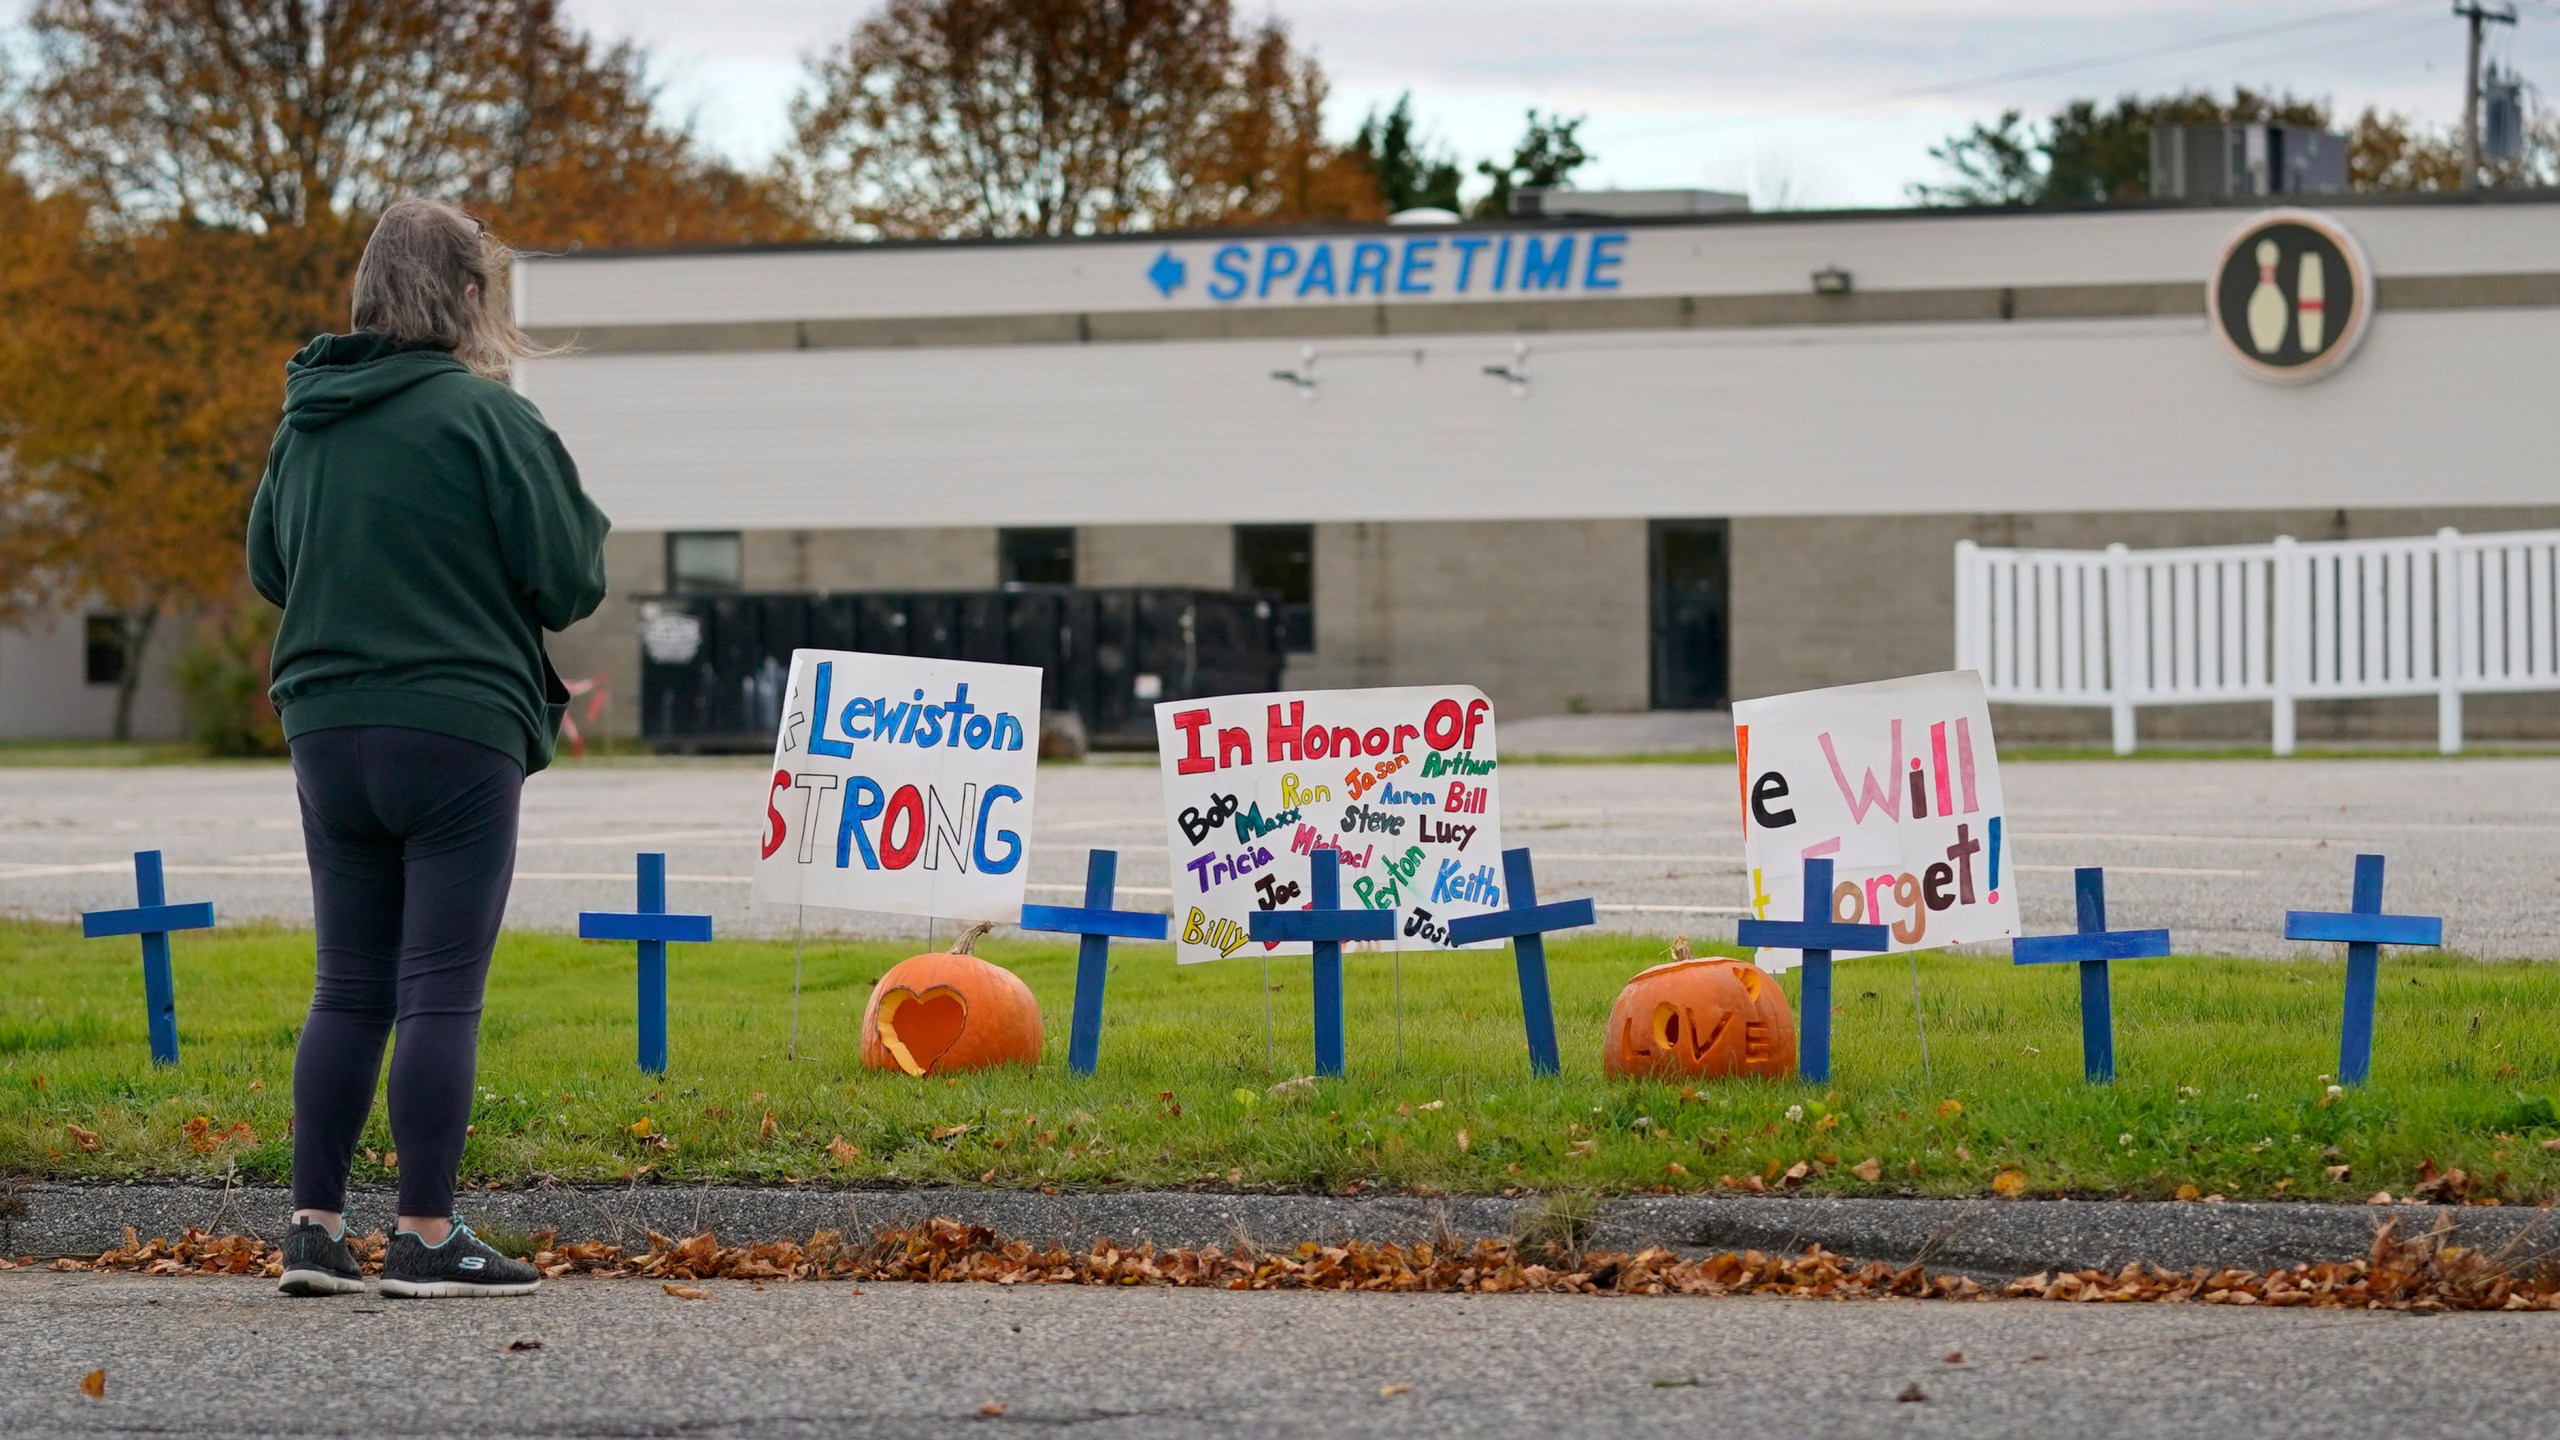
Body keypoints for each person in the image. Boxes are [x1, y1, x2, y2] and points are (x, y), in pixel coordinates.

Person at [247, 198, 610, 1298]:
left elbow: (273, 567)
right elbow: (571, 578)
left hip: (324, 726)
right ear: (463, 296)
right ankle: (426, 1233)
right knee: (439, 991)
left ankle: (313, 1230)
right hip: (453, 728)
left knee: (347, 987)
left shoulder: (305, 419)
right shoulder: (486, 418)